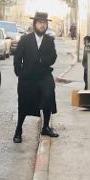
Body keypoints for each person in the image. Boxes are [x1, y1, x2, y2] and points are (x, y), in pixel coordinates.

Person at [12, 11, 59, 143]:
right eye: (40, 23)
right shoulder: (25, 39)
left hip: (44, 75)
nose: (42, 25)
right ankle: (18, 130)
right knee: (24, 103)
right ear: (34, 24)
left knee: (48, 96)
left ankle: (46, 127)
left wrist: (43, 60)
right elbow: (17, 58)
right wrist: (19, 73)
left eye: (44, 23)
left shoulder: (49, 40)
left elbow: (53, 57)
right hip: (28, 77)